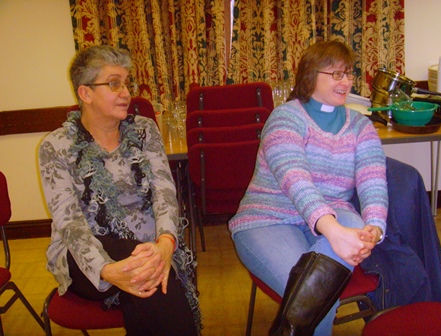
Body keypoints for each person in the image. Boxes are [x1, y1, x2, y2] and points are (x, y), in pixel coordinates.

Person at [38, 45, 201, 335]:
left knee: (142, 273)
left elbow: (165, 192)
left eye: (127, 83)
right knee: (140, 266)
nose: (126, 92)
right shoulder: (56, 146)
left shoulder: (145, 130)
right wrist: (107, 270)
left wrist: (165, 245)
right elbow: (70, 224)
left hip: (151, 246)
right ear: (85, 93)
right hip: (84, 256)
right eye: (114, 83)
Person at [228, 40, 388, 336]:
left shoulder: (360, 126)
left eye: (348, 73)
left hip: (333, 215)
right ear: (310, 76)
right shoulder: (285, 118)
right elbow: (295, 179)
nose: (346, 82)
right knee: (317, 296)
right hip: (268, 218)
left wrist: (375, 227)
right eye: (336, 74)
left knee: (353, 225)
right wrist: (333, 231)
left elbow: (373, 179)